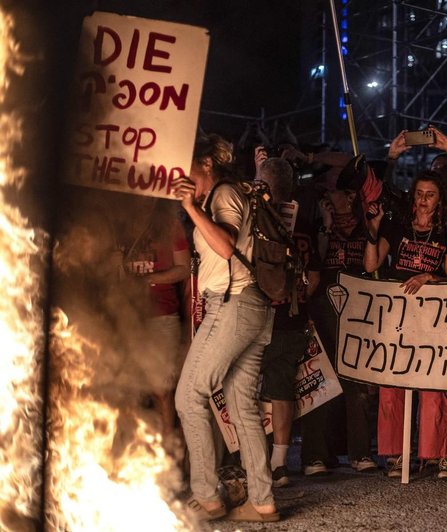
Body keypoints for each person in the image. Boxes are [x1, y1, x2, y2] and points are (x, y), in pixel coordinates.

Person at [173, 133, 279, 522]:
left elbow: (225, 245)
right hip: (251, 306)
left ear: (205, 163)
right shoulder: (217, 195)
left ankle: (207, 496)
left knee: (188, 396)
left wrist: (189, 206)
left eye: (185, 164)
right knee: (242, 406)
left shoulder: (223, 194)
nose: (179, 175)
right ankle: (263, 502)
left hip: (234, 304)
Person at [363, 170, 447, 479]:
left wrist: (429, 277)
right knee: (391, 385)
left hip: (432, 317)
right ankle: (395, 454)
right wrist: (373, 230)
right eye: (419, 193)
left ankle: (436, 454)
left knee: (434, 383)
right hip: (396, 315)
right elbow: (371, 264)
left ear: (440, 199)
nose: (423, 200)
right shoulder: (397, 226)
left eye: (430, 195)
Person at [253, 152, 323, 485]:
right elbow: (316, 277)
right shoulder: (304, 225)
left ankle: (250, 460)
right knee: (282, 390)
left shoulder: (254, 220)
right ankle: (279, 463)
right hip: (293, 318)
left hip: (257, 316)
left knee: (246, 391)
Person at [312, 176, 379, 472]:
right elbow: (317, 258)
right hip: (325, 301)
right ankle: (316, 455)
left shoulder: (364, 226)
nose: (328, 195)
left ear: (350, 196)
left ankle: (360, 453)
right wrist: (326, 223)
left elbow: (370, 265)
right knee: (323, 376)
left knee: (357, 377)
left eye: (333, 192)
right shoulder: (319, 222)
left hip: (358, 302)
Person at [119, 198, 190, 450]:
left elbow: (184, 268)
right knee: (130, 387)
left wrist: (151, 278)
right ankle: (135, 453)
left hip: (162, 316)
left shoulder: (170, 225)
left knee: (161, 389)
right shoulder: (120, 224)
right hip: (128, 318)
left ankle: (167, 453)